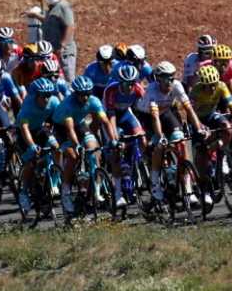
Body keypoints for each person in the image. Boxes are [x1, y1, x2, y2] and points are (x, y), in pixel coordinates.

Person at [137, 61, 203, 205]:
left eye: (172, 78)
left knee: (181, 142)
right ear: (158, 79)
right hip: (147, 117)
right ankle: (155, 185)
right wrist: (160, 137)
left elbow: (189, 109)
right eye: (167, 78)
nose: (170, 82)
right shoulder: (152, 91)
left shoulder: (177, 86)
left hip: (166, 112)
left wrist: (199, 128)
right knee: (159, 147)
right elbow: (154, 117)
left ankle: (187, 188)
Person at [52, 76, 117, 215]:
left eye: (88, 93)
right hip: (62, 127)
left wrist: (113, 141)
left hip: (79, 124)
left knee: (94, 150)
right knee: (73, 156)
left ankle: (97, 188)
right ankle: (66, 193)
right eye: (82, 94)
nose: (86, 97)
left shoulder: (94, 101)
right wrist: (77, 145)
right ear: (75, 93)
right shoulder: (68, 105)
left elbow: (105, 122)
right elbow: (69, 130)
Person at [189, 64, 232, 207]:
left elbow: (231, 105)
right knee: (201, 155)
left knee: (228, 129)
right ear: (202, 84)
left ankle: (217, 151)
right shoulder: (196, 91)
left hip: (211, 115)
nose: (211, 88)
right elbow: (190, 113)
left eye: (213, 85)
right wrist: (199, 127)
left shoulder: (222, 86)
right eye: (208, 85)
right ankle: (205, 191)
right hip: (198, 120)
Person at [103, 63, 147, 209]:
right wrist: (114, 139)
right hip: (112, 117)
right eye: (126, 84)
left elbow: (145, 110)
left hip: (126, 114)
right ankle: (117, 194)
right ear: (120, 82)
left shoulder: (138, 89)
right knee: (116, 147)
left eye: (132, 84)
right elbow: (111, 117)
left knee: (141, 137)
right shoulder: (111, 90)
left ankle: (141, 165)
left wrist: (144, 132)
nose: (130, 87)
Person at [15, 78, 62, 215]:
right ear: (36, 95)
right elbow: (24, 128)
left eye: (49, 95)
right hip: (26, 132)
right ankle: (23, 191)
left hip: (40, 129)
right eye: (44, 96)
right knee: (30, 162)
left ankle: (54, 180)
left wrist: (56, 137)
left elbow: (58, 120)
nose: (47, 99)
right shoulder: (28, 106)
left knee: (56, 148)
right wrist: (32, 145)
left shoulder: (53, 101)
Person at [26, 0, 78, 81]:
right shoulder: (52, 8)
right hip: (53, 51)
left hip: (64, 53)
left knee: (68, 79)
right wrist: (35, 15)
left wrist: (62, 46)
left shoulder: (63, 6)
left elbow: (70, 27)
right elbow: (48, 21)